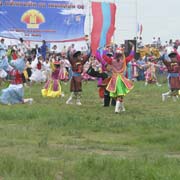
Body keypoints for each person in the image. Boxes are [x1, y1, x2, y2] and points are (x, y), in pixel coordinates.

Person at [103, 43, 135, 113]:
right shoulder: (123, 61)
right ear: (121, 55)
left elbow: (104, 56)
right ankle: (117, 109)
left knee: (118, 94)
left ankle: (122, 108)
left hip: (114, 79)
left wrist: (105, 48)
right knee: (120, 94)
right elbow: (131, 56)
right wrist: (133, 47)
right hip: (121, 79)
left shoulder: (112, 61)